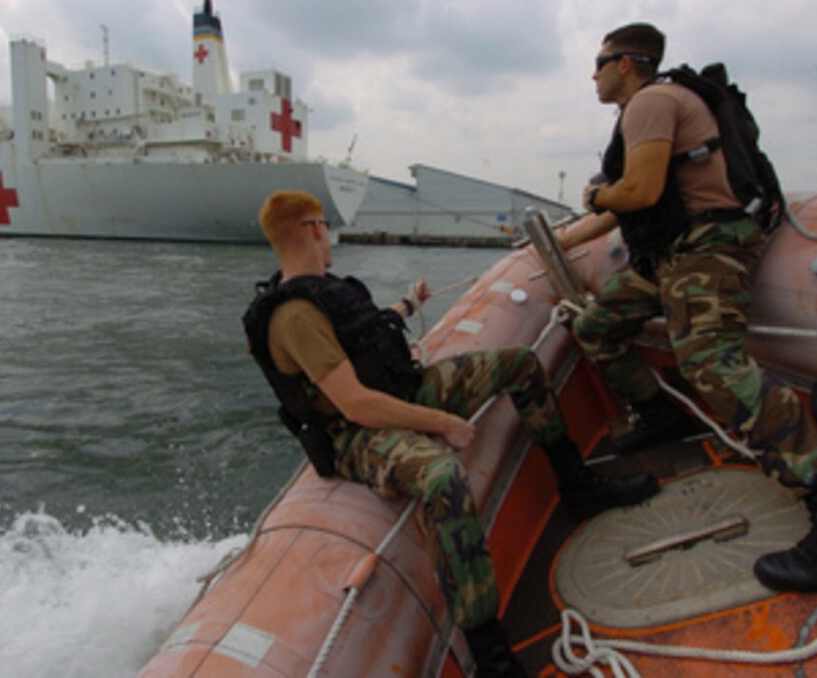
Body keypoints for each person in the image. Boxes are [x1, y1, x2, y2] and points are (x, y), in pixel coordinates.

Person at [243, 189, 659, 678]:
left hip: (404, 391)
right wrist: (444, 424)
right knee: (442, 477)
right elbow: (354, 403)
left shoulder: (319, 291)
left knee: (520, 366)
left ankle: (577, 486)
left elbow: (363, 338)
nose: (329, 235)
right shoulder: (294, 316)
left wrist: (406, 303)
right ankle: (490, 652)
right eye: (325, 227)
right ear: (313, 228)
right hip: (357, 434)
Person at [555, 22, 817, 592]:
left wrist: (595, 193)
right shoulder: (659, 104)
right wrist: (567, 238)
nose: (592, 75)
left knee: (712, 364)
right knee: (598, 326)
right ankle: (662, 414)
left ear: (625, 63)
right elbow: (639, 203)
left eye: (598, 63)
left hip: (709, 246)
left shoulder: (649, 102)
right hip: (672, 254)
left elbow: (638, 193)